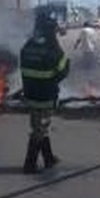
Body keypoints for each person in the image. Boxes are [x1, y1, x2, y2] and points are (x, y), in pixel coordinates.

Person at [20, 13, 70, 174]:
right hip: (46, 95)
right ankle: (30, 164)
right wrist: (65, 64)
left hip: (30, 94)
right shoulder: (52, 49)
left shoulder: (27, 46)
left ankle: (48, 159)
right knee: (40, 128)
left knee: (40, 125)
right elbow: (62, 72)